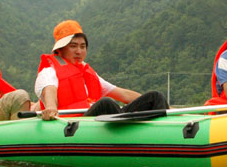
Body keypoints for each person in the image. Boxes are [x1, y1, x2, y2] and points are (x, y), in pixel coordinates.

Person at [35, 20, 168, 120]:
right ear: (60, 50)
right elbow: (49, 91)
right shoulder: (48, 72)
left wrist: (166, 106)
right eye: (73, 46)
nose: (79, 51)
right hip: (76, 123)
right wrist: (51, 107)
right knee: (105, 103)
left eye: (82, 47)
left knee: (155, 96)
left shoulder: (86, 72)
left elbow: (123, 94)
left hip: (100, 118)